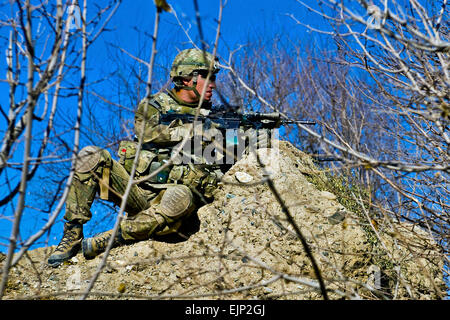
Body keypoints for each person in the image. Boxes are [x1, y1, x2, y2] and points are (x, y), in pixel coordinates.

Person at [48, 48, 270, 267]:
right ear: (186, 78)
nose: (213, 84)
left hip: (178, 203)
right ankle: (72, 233)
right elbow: (147, 131)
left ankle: (109, 238)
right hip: (138, 192)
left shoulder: (219, 119)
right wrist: (195, 131)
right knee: (91, 156)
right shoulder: (156, 106)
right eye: (207, 77)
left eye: (214, 78)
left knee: (180, 196)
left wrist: (253, 134)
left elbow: (239, 152)